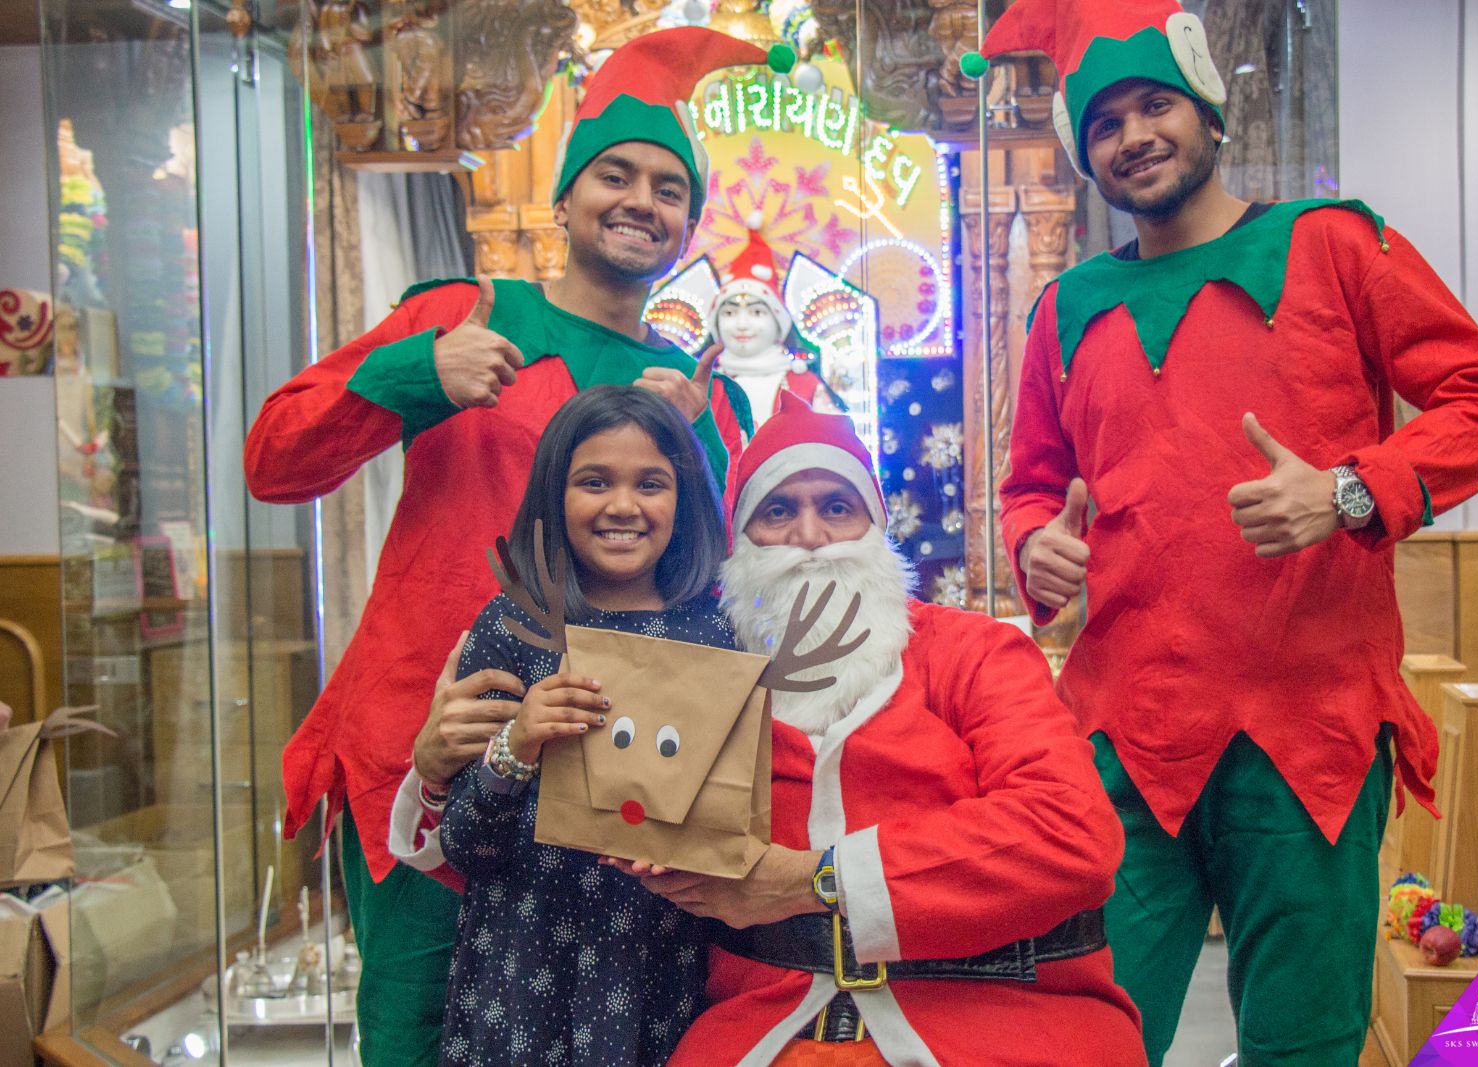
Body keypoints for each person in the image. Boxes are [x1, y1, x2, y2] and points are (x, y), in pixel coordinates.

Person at [980, 1, 1478, 1064]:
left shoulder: (1333, 244)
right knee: (1086, 1031)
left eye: (1157, 107)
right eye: (1105, 123)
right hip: (1122, 734)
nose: (1134, 135)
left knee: (1305, 1039)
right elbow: (1032, 487)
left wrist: (1348, 489)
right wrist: (1030, 545)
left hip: (1310, 730)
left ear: (1209, 114)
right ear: (1081, 151)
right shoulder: (1065, 306)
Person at [244, 26, 786, 1065]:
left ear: (689, 222)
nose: (640, 201)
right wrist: (417, 372)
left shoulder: (687, 391)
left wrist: (705, 444)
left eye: (669, 188)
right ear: (566, 197)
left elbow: (714, 586)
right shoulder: (466, 312)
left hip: (618, 791)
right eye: (615, 175)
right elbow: (274, 460)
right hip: (433, 750)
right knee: (412, 1033)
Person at [612, 392, 1145, 1067]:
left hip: (1001, 1019)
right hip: (763, 1027)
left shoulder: (973, 654)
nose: (810, 536)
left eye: (837, 507)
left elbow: (1069, 833)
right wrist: (481, 760)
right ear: (737, 541)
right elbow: (582, 834)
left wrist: (818, 879)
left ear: (875, 527)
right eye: (777, 511)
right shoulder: (703, 682)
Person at [434, 385, 736, 1067]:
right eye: (594, 481)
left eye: (651, 483)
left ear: (684, 500)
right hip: (520, 964)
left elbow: (739, 823)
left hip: (661, 961)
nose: (622, 505)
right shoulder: (514, 628)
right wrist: (516, 745)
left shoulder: (718, 635)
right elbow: (462, 846)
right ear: (553, 494)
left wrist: (695, 843)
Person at [708, 214, 842, 424]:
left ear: (779, 323)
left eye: (757, 312)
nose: (742, 325)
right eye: (730, 313)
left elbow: (834, 445)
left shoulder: (803, 384)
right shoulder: (706, 387)